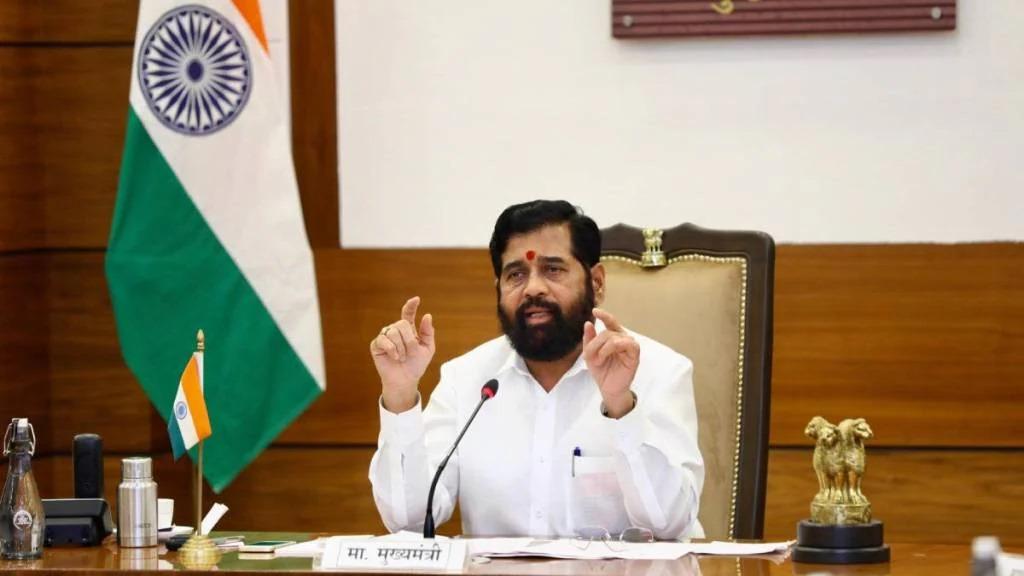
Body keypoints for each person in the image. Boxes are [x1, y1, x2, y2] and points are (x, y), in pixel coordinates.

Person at [368, 200, 704, 539]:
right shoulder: (466, 381)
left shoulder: (660, 371)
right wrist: (400, 394)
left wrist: (620, 405)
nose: (533, 288)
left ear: (597, 283)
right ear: (498, 290)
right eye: (516, 275)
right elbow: (407, 521)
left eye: (553, 269)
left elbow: (669, 525)